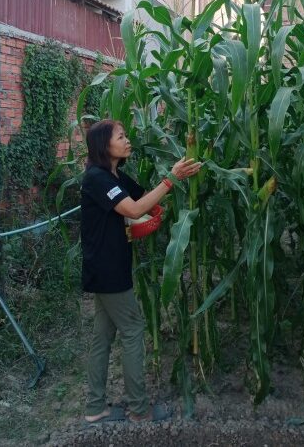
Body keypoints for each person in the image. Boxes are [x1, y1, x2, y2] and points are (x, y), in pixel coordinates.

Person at [80, 119, 201, 424]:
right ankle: (139, 409)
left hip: (110, 265)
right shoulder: (97, 178)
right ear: (104, 145)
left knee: (102, 336)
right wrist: (172, 179)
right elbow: (133, 210)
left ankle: (95, 408)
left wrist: (164, 203)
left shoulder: (115, 175)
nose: (128, 140)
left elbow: (145, 199)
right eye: (121, 137)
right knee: (133, 330)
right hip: (107, 270)